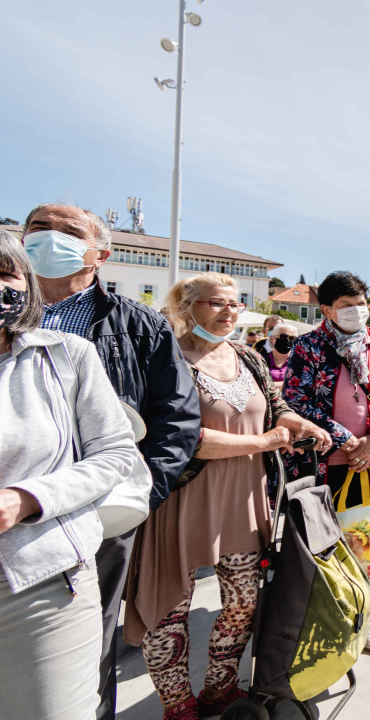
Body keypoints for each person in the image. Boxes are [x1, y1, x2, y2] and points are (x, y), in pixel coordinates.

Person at [21, 201, 202, 720]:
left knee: (87, 641)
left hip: (96, 513)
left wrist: (138, 496)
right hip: (13, 504)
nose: (48, 239)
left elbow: (176, 418)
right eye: (37, 230)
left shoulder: (138, 324)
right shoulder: (10, 317)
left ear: (100, 253)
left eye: (67, 231)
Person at [124, 272, 332, 720]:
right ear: (186, 306)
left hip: (244, 501)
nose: (228, 312)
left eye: (235, 304)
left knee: (243, 604)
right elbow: (175, 437)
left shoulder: (246, 355)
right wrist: (267, 442)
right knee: (167, 612)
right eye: (216, 303)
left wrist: (301, 425)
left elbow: (276, 407)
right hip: (178, 502)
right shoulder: (165, 357)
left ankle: (220, 691)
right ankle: (177, 706)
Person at [0, 231, 141, 719]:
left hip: (42, 575)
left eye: (5, 273)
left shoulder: (67, 354)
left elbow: (119, 447)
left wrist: (26, 498)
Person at [280, 271, 370, 651]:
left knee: (364, 538)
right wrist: (345, 439)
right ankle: (326, 615)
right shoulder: (308, 347)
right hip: (321, 466)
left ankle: (363, 616)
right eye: (346, 306)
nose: (357, 312)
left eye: (361, 304)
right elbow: (297, 401)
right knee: (322, 544)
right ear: (326, 309)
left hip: (369, 463)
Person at [265, 321, 298, 385]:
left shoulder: (299, 363)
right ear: (272, 338)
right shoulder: (261, 362)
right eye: (283, 337)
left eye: (292, 338)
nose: (288, 340)